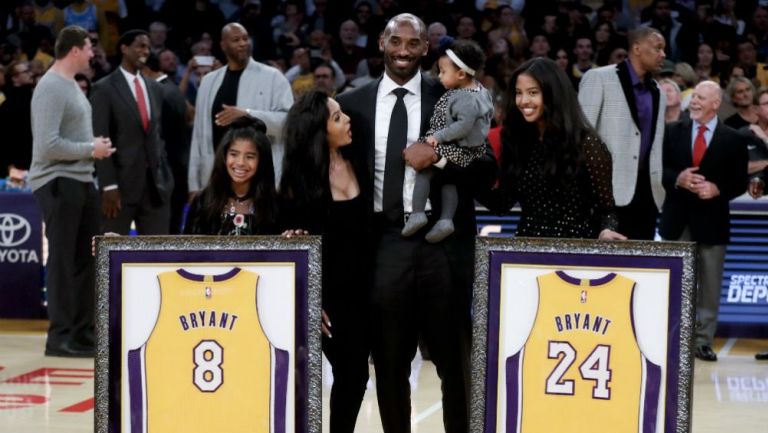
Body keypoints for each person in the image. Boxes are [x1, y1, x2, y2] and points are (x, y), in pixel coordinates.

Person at [336, 13, 496, 433]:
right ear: (380, 43)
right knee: (389, 364)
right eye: (396, 41)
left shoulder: (453, 91)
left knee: (455, 366)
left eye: (413, 43)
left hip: (442, 247)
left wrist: (440, 157)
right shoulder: (351, 104)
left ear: (428, 48)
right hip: (383, 246)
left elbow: (485, 166)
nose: (404, 51)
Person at [278, 90, 371, 433]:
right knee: (348, 373)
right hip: (327, 299)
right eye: (337, 117)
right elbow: (288, 251)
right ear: (319, 131)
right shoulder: (296, 184)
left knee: (356, 376)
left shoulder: (358, 159)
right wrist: (309, 300)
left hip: (365, 289)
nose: (347, 120)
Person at [29, 25, 115, 357]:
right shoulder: (51, 87)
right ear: (76, 49)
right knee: (64, 262)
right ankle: (60, 336)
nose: (93, 53)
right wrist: (89, 148)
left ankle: (81, 332)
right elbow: (48, 146)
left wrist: (93, 149)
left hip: (80, 180)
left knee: (85, 260)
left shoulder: (69, 86)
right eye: (90, 47)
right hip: (57, 181)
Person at [479, 57, 625, 240]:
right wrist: (467, 169)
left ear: (553, 94)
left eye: (533, 93)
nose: (523, 101)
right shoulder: (518, 142)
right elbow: (501, 205)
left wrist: (606, 230)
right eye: (518, 93)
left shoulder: (587, 144)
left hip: (575, 252)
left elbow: (607, 210)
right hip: (526, 251)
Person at [659, 81, 748, 362]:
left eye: (700, 97)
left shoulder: (733, 138)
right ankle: (671, 339)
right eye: (693, 96)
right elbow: (658, 170)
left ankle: (702, 342)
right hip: (677, 220)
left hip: (712, 222)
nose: (694, 101)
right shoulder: (672, 132)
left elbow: (739, 181)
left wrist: (718, 188)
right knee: (674, 284)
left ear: (715, 104)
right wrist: (678, 179)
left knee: (709, 286)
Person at [579, 27, 667, 240]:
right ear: (637, 48)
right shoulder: (599, 78)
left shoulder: (659, 91)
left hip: (647, 195)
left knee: (639, 269)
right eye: (658, 48)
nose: (663, 54)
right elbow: (580, 136)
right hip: (606, 193)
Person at [402, 40, 493, 242]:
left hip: (457, 148)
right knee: (448, 181)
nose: (439, 76)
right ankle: (445, 221)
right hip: (462, 149)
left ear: (461, 74)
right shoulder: (479, 91)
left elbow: (463, 126)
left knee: (424, 170)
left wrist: (437, 138)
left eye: (443, 71)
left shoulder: (465, 97)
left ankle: (417, 213)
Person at [188, 22, 293, 195]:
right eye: (236, 40)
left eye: (245, 38)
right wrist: (194, 184)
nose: (243, 43)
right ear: (223, 45)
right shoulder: (208, 82)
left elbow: (288, 122)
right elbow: (199, 137)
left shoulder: (273, 77)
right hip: (215, 177)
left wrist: (248, 114)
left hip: (260, 178)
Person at [90, 30, 173, 235]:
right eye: (140, 45)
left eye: (147, 46)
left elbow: (157, 135)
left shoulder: (155, 88)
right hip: (119, 189)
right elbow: (100, 139)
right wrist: (108, 185)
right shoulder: (104, 88)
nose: (145, 51)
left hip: (155, 188)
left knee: (157, 260)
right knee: (110, 258)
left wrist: (165, 176)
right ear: (124, 48)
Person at [184, 117, 278, 235]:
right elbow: (187, 249)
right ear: (224, 156)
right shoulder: (203, 202)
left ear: (262, 161)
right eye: (234, 154)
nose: (240, 163)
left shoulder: (276, 205)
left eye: (250, 157)